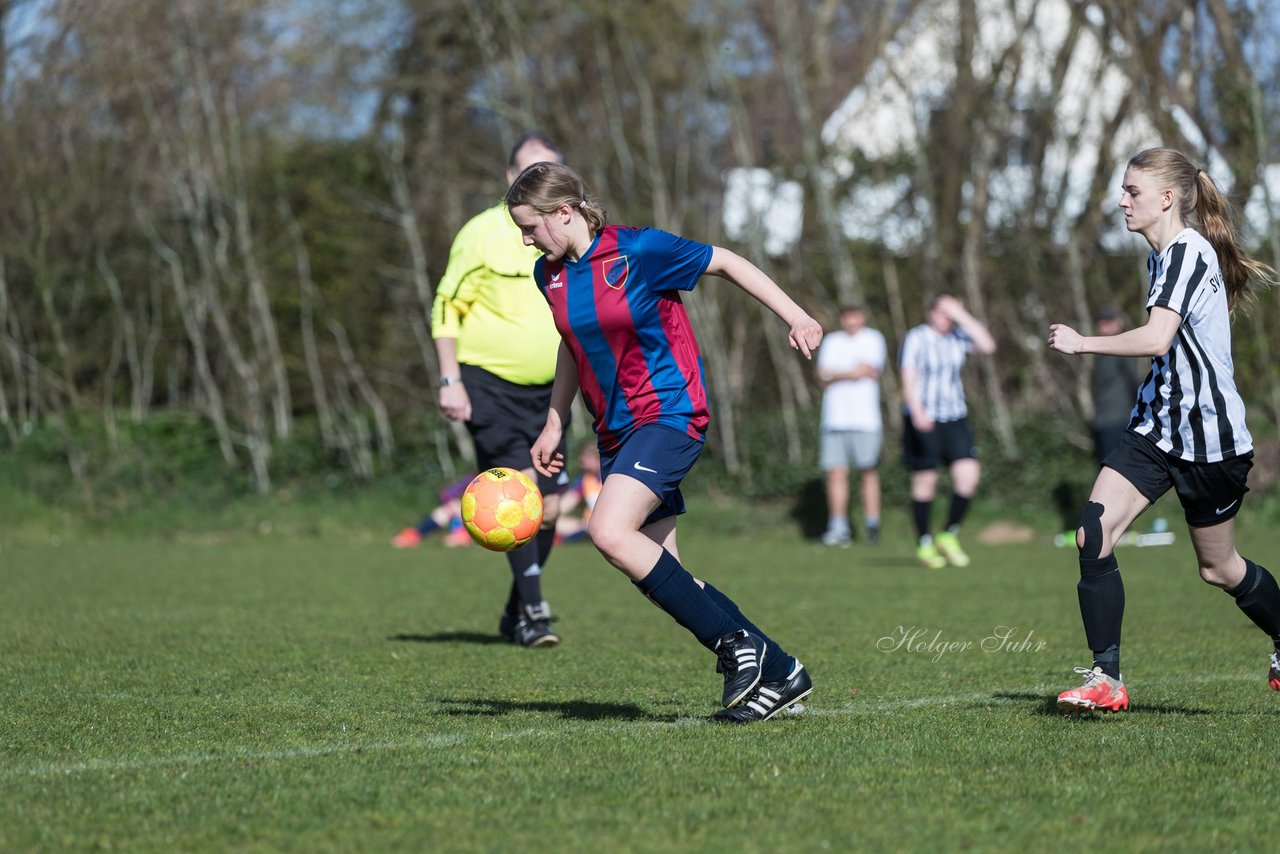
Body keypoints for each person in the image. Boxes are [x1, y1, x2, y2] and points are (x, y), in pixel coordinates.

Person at [507, 161, 823, 723]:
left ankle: (733, 645)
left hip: (668, 414)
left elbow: (725, 261)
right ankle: (780, 670)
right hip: (615, 432)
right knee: (661, 573)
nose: (526, 239)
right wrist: (555, 421)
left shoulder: (640, 251)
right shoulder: (548, 274)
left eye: (531, 227)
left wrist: (795, 315)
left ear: (564, 212)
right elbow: (571, 344)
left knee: (607, 531)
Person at [1047, 147, 1280, 714]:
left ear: (1167, 198)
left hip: (1210, 441)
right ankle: (1106, 679)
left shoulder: (1185, 253)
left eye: (1132, 191)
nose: (1122, 200)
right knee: (1093, 532)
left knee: (1218, 568)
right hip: (1156, 429)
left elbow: (1155, 338)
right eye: (1123, 190)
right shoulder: (1159, 258)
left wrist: (1084, 343)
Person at [432, 130, 570, 648]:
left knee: (551, 508)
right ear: (508, 177)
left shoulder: (567, 235)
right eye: (526, 171)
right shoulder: (482, 232)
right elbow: (447, 305)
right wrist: (450, 379)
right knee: (518, 488)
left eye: (547, 171)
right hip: (487, 383)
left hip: (554, 391)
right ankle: (535, 611)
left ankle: (517, 607)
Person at [898, 293, 997, 569]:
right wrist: (916, 411)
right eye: (943, 311)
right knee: (926, 481)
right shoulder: (917, 338)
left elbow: (988, 346)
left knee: (968, 477)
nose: (947, 318)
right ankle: (924, 543)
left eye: (951, 313)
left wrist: (961, 315)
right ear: (930, 312)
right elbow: (908, 374)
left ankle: (948, 533)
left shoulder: (958, 337)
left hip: (954, 417)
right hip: (923, 417)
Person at [816, 305, 886, 546]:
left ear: (863, 317)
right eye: (846, 316)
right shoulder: (832, 341)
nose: (851, 320)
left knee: (868, 471)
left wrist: (835, 375)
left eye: (855, 315)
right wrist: (849, 373)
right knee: (836, 473)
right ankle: (838, 528)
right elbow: (822, 375)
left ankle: (872, 526)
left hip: (866, 420)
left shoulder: (873, 339)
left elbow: (867, 370)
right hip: (834, 418)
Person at [1089, 307, 1146, 466]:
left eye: (1109, 321)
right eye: (1102, 321)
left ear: (1119, 322)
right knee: (1104, 467)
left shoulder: (1122, 348)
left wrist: (1142, 413)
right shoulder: (1101, 352)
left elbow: (1135, 382)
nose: (1105, 325)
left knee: (1115, 469)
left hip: (1119, 421)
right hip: (1102, 421)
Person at [392, 472, 476, 549]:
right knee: (449, 509)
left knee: (452, 508)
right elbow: (447, 494)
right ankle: (414, 534)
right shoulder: (476, 478)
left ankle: (463, 535)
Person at [555, 445, 602, 544]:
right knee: (555, 521)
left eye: (587, 457)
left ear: (598, 459)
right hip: (587, 524)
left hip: (609, 521)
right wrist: (550, 512)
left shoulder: (611, 478)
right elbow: (567, 502)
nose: (582, 460)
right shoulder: (584, 479)